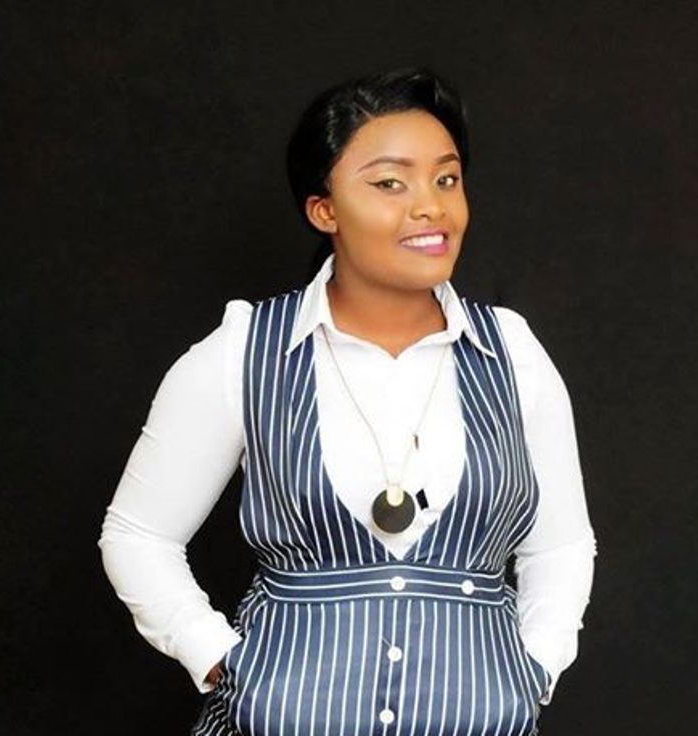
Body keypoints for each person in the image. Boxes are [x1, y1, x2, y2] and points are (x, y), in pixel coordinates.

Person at [99, 66, 597, 736]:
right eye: (390, 183)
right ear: (323, 209)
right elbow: (138, 535)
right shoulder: (244, 352)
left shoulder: (512, 352)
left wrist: (531, 671)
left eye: (446, 179)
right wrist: (225, 665)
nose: (430, 207)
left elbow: (561, 546)